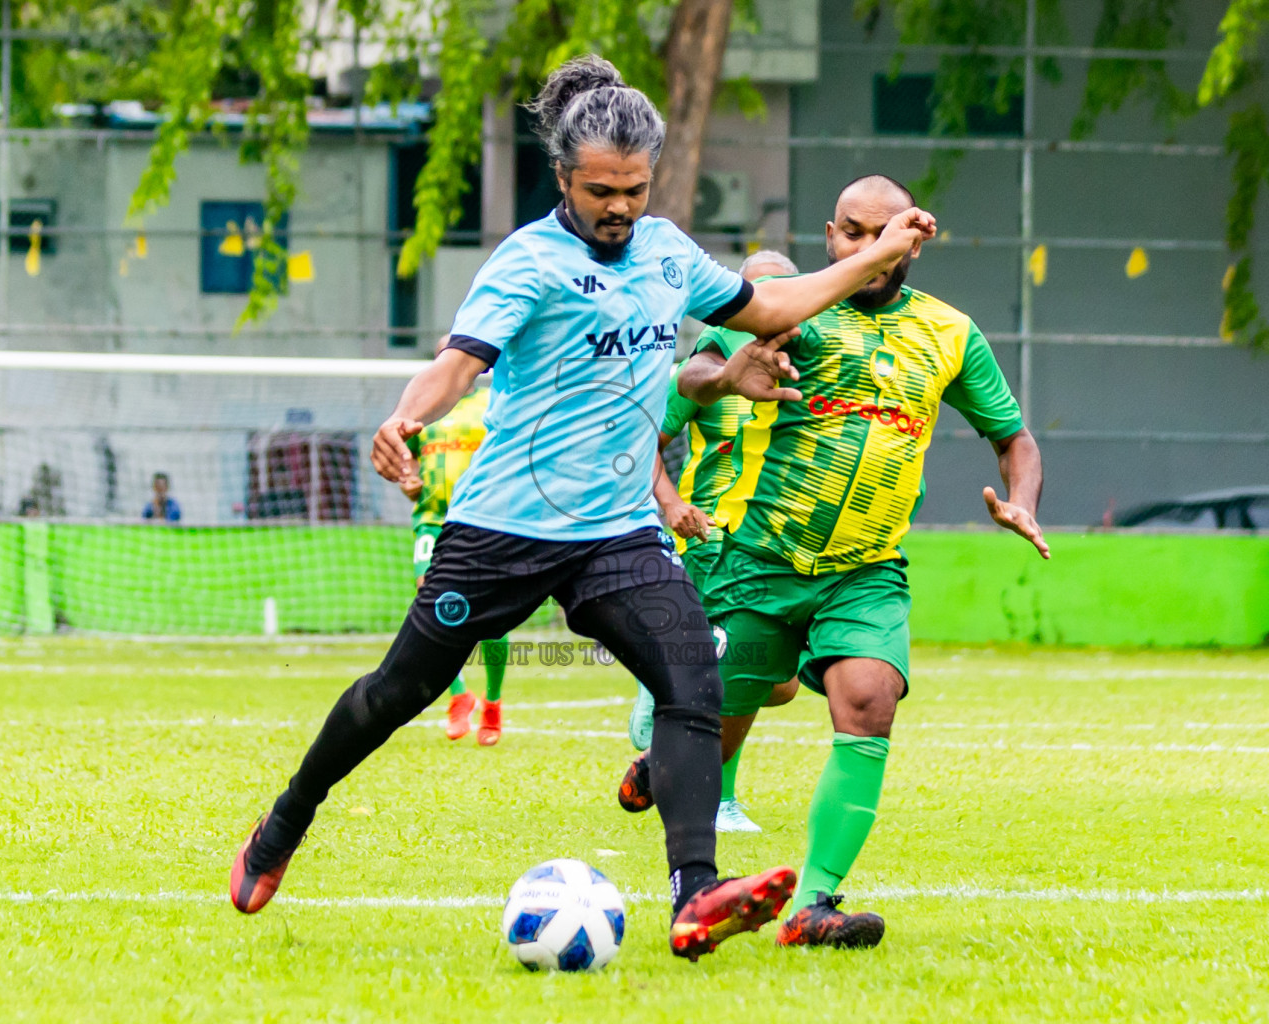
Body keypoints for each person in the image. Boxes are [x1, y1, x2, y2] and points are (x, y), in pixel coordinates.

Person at [229, 57, 936, 961]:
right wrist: (406, 417)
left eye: (634, 190)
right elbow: (458, 362)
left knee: (694, 678)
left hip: (615, 534)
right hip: (504, 529)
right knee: (398, 691)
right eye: (601, 190)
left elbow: (772, 306)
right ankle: (285, 821)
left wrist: (879, 254)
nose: (619, 207)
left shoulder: (669, 253)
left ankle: (696, 893)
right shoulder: (528, 261)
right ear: (564, 177)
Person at [620, 174, 1047, 949]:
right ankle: (670, 776)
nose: (867, 247)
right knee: (717, 727)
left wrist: (1024, 498)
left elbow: (1013, 435)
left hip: (866, 568)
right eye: (851, 232)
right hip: (757, 560)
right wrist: (726, 376)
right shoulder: (789, 304)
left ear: (913, 238)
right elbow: (686, 381)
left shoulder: (950, 334)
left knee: (870, 700)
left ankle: (814, 903)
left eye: (883, 233)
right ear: (830, 234)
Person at [632, 250, 803, 835]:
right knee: (733, 670)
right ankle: (719, 800)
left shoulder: (806, 362)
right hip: (714, 539)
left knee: (780, 684)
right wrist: (673, 503)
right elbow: (644, 438)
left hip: (778, 544)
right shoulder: (709, 362)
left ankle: (659, 690)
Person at [401, 336, 512, 746]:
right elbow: (406, 453)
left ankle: (494, 701)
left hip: (484, 521)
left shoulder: (493, 405)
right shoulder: (424, 408)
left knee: (491, 615)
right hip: (431, 521)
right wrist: (407, 477)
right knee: (429, 603)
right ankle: (458, 696)